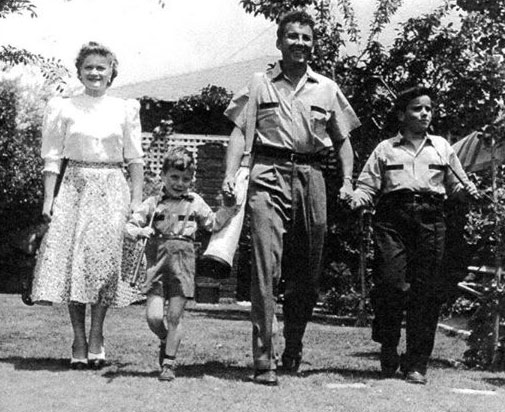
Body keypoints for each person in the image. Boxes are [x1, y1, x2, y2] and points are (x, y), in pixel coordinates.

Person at [222, 10, 361, 385]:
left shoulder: (327, 88)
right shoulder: (258, 83)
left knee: (307, 271)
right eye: (293, 36)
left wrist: (347, 182)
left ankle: (293, 345)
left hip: (313, 178)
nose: (300, 43)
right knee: (266, 267)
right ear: (279, 41)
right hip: (268, 174)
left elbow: (344, 140)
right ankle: (263, 359)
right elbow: (237, 132)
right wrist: (230, 175)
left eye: (306, 37)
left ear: (313, 44)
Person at [352, 85, 479, 384]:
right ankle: (388, 345)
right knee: (390, 283)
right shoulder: (385, 149)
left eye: (428, 109)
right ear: (402, 114)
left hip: (432, 220)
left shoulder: (442, 148)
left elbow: (455, 187)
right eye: (417, 108)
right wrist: (356, 198)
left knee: (426, 291)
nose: (424, 114)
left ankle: (417, 362)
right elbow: (367, 187)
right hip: (392, 219)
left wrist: (466, 191)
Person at [31, 41, 144, 370]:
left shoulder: (124, 108)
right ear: (79, 71)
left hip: (111, 188)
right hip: (74, 189)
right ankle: (79, 339)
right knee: (75, 267)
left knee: (103, 267)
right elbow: (52, 158)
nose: (95, 73)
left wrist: (136, 201)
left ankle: (97, 336)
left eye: (101, 67)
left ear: (111, 72)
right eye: (89, 67)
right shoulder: (63, 107)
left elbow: (135, 158)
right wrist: (48, 200)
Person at [125, 146, 238, 381]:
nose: (179, 183)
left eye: (185, 179)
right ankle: (166, 339)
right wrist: (140, 230)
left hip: (183, 262)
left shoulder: (195, 202)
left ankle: (169, 362)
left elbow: (213, 223)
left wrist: (228, 209)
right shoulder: (153, 203)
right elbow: (130, 226)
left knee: (176, 316)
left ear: (192, 180)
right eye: (174, 177)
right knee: (154, 317)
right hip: (157, 262)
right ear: (163, 176)